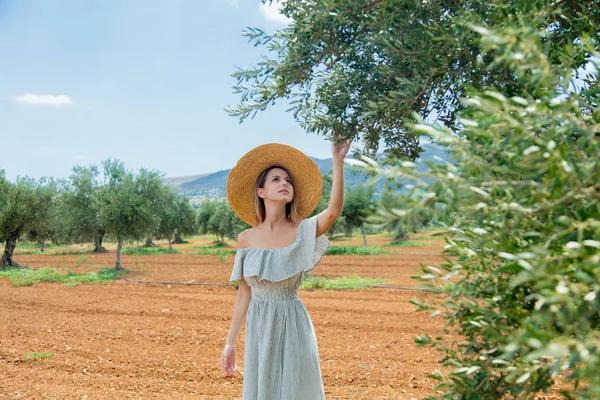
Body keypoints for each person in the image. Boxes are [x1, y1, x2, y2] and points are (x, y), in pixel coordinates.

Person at [221, 140, 350, 399]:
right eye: (276, 179)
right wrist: (230, 343)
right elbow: (243, 294)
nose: (284, 183)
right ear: (261, 191)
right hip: (260, 328)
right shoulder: (246, 238)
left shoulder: (302, 231)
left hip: (293, 325)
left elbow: (333, 211)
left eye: (288, 180)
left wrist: (337, 160)